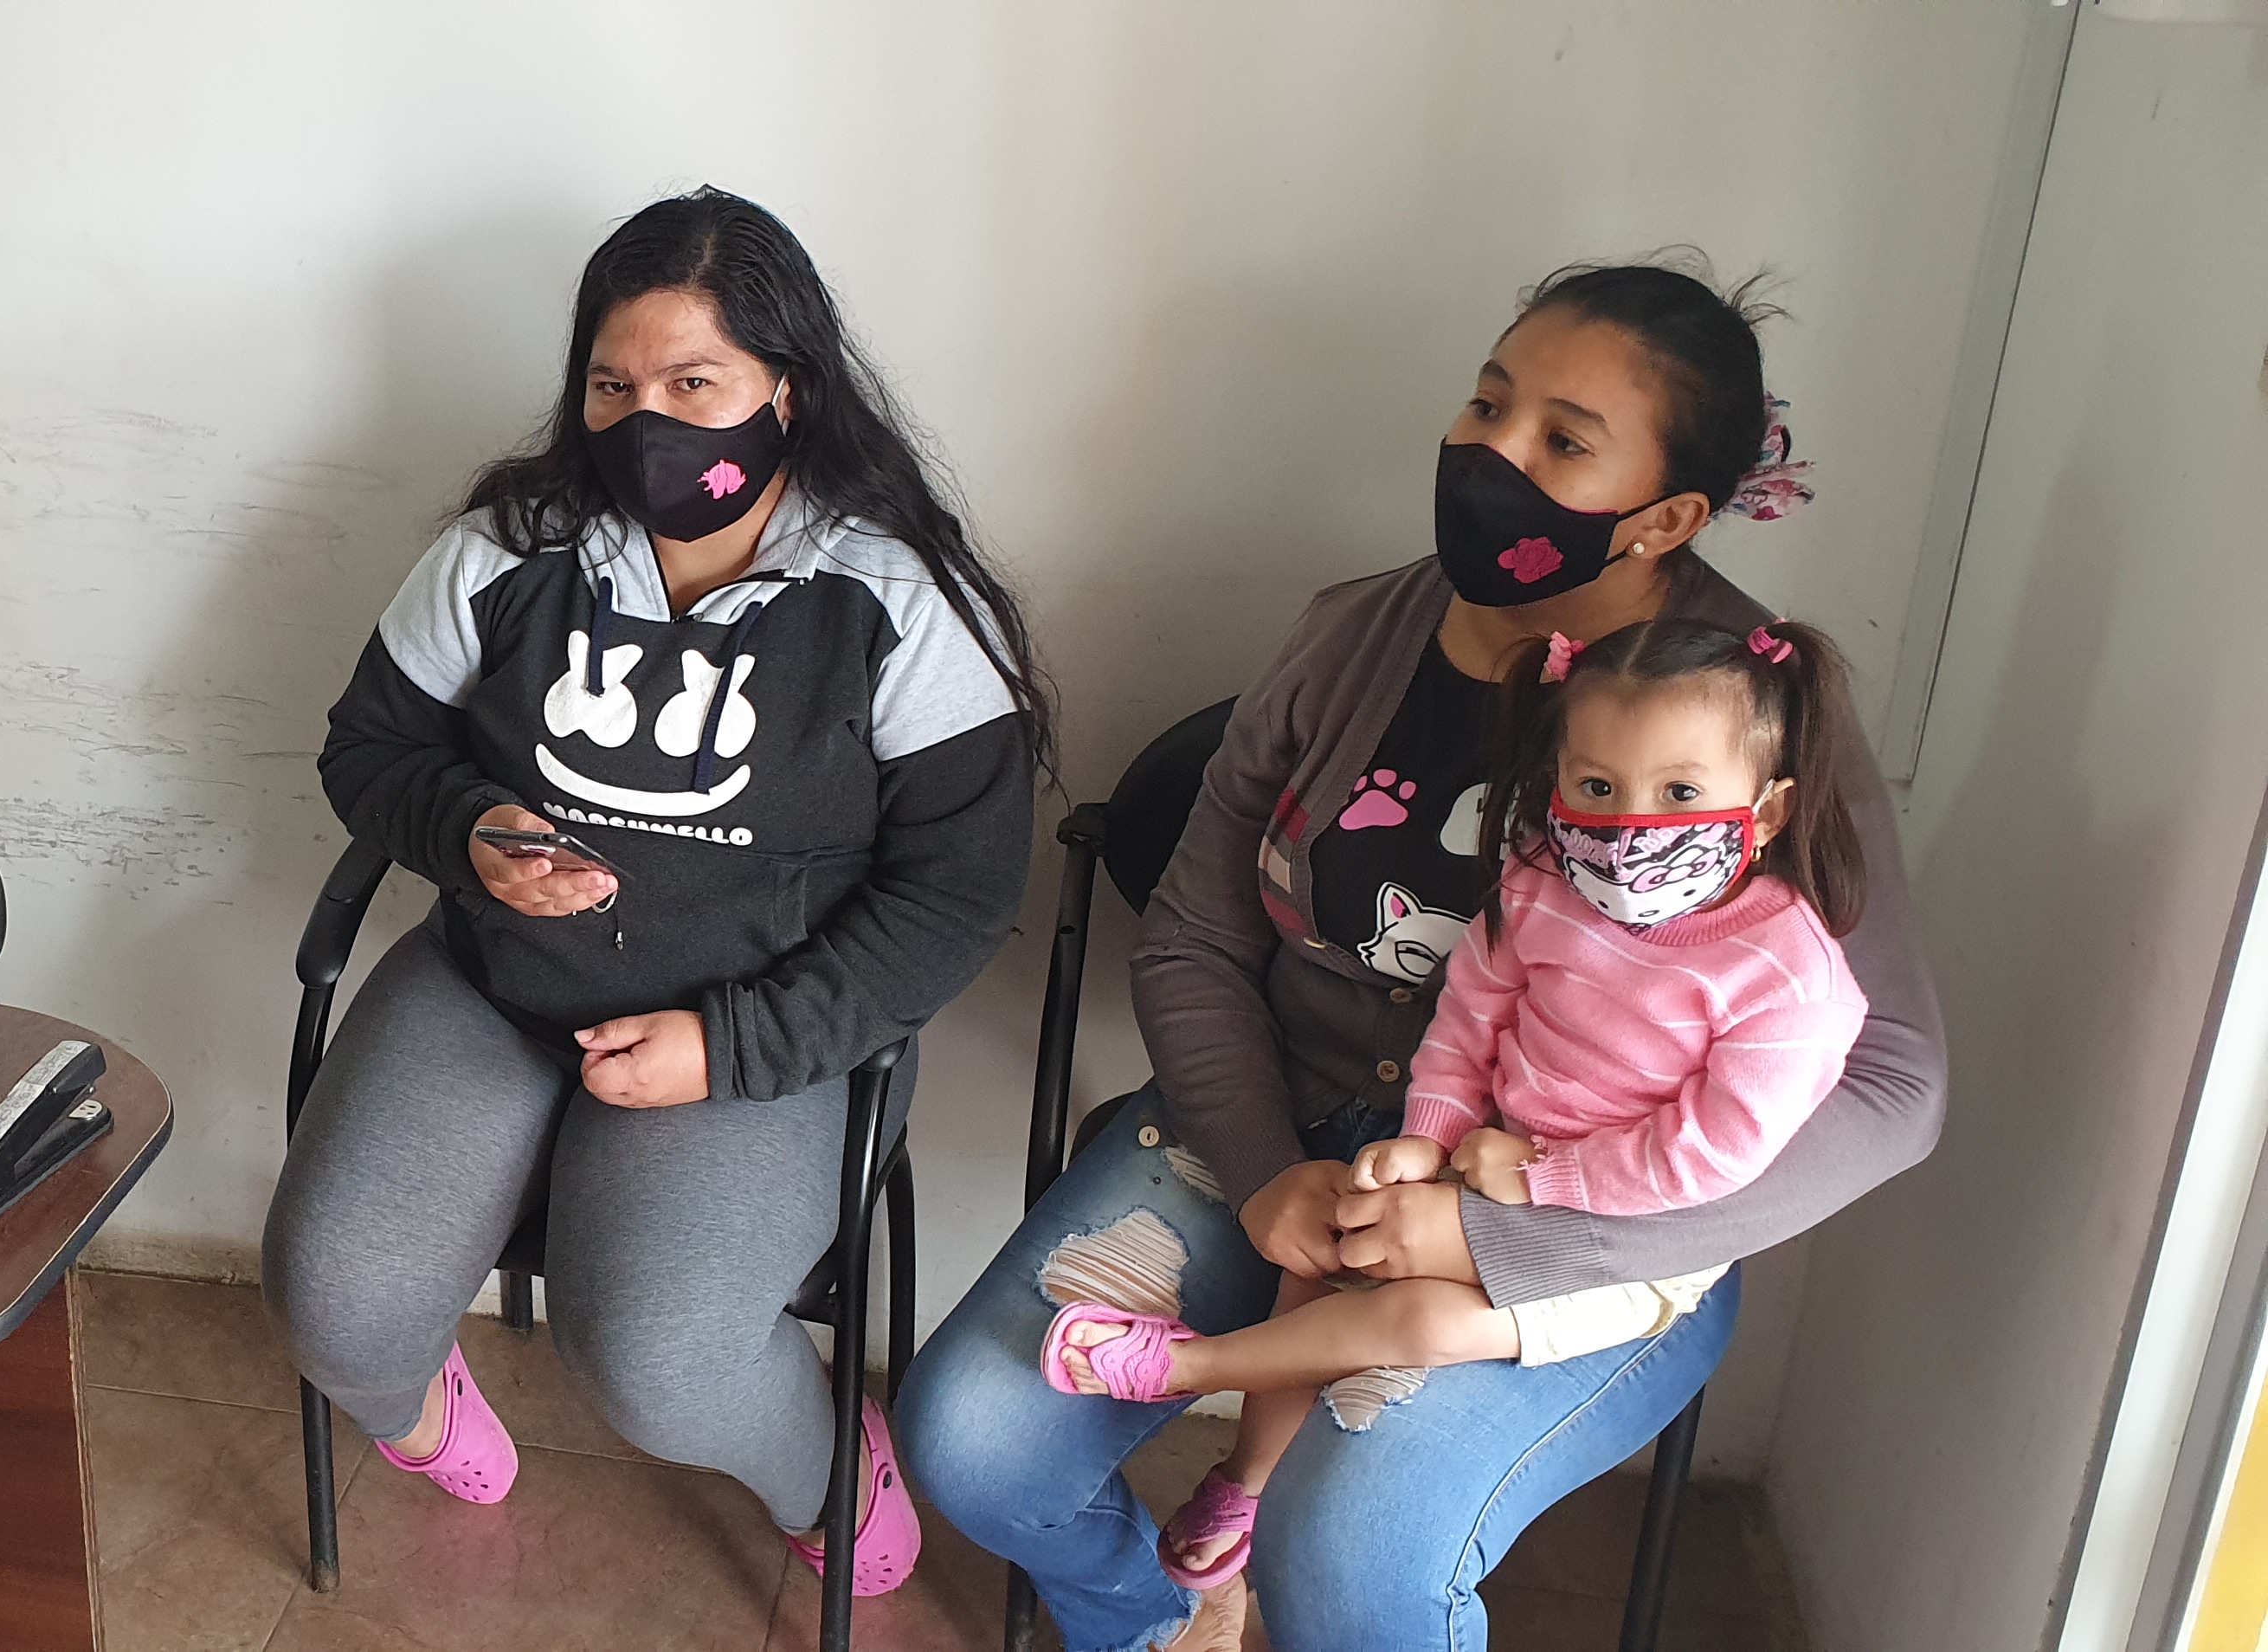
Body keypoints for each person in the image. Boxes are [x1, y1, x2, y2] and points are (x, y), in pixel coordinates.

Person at [894, 257, 1946, 1652]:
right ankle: (1151, 1617)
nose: (1491, 453)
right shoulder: (1348, 637)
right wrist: (1265, 1173)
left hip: (1585, 1214)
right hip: (1284, 1134)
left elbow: (1894, 1088)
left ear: (1667, 516)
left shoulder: (1753, 715)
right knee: (974, 1441)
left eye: (1564, 441)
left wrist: (1502, 1227)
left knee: (1349, 1554)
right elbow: (1197, 934)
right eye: (1488, 403)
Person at [261, 188, 1047, 1593]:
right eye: (612, 387)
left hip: (755, 1025)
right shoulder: (510, 548)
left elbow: (957, 896)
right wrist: (468, 828)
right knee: (335, 1303)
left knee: (657, 1358)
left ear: (787, 391)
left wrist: (731, 1046)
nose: (648, 423)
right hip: (496, 988)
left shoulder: (898, 600)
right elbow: (367, 750)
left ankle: (825, 1473)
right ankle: (424, 1411)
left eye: (695, 384)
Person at [1045, 617, 1872, 1597]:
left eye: (1680, 793)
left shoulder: (1790, 974)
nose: (1629, 827)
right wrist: (1425, 1139)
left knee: (1419, 1321)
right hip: (1486, 1158)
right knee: (1338, 1245)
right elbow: (1472, 1013)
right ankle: (1248, 1483)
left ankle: (1191, 1369)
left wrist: (1538, 1177)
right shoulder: (1546, 880)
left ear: (1768, 811)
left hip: (1627, 1236)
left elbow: (1712, 1155)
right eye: (1596, 786)